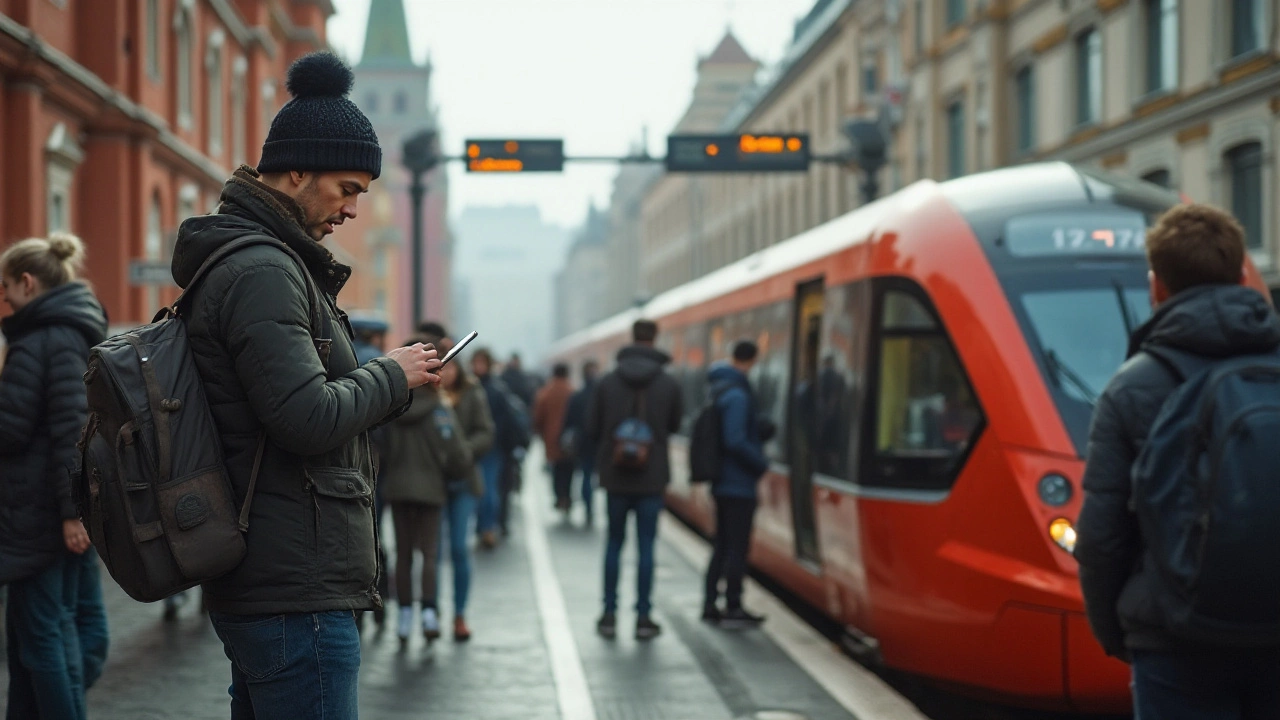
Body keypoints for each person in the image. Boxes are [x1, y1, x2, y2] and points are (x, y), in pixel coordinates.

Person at [171, 51, 439, 719]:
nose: (353, 209)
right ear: (297, 172)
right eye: (346, 188)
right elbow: (304, 416)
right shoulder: (264, 270)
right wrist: (391, 374)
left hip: (282, 576)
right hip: (295, 590)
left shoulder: (265, 261)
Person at [1075, 203, 1280, 719]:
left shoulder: (1130, 387)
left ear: (1157, 286)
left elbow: (1101, 538)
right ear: (1240, 277)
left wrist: (1121, 632)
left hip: (1172, 638)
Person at [0, 232, 109, 719]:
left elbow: (69, 432)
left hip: (36, 517)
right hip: (55, 513)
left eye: (4, 289)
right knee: (44, 637)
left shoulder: (41, 340)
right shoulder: (76, 333)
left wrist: (71, 513)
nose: (3, 302)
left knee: (45, 639)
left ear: (26, 282)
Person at [586, 319, 683, 641]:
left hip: (615, 477)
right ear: (654, 339)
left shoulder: (608, 382)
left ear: (632, 339)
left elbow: (594, 427)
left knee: (613, 544)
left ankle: (609, 615)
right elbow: (674, 425)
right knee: (646, 548)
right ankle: (643, 617)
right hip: (651, 478)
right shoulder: (668, 384)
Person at [380, 335, 474, 648]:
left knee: (403, 555)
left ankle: (404, 617)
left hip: (397, 489)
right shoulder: (439, 410)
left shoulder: (392, 407)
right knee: (429, 554)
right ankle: (429, 613)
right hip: (431, 491)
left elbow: (382, 448)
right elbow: (460, 455)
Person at [429, 333, 495, 641]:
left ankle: (459, 614)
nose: (449, 372)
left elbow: (486, 432)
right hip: (433, 479)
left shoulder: (472, 393)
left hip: (464, 480)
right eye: (444, 366)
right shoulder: (426, 394)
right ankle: (432, 612)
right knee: (432, 551)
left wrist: (464, 451)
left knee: (458, 548)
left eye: (453, 366)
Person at [703, 340, 769, 628]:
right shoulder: (739, 396)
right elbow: (735, 439)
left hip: (723, 481)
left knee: (722, 545)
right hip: (738, 483)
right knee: (736, 548)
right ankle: (732, 604)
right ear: (752, 359)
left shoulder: (720, 389)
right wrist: (760, 463)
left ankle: (710, 603)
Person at [472, 348, 530, 538]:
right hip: (472, 448)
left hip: (492, 448)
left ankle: (487, 527)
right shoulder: (469, 388)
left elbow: (507, 421)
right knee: (478, 492)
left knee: (488, 492)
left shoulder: (496, 390)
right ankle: (484, 526)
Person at [533, 363, 576, 516]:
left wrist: (539, 432)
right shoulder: (572, 391)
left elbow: (538, 416)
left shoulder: (546, 392)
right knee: (569, 469)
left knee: (556, 469)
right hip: (570, 438)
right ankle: (567, 495)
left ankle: (559, 496)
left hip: (551, 437)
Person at [562, 360, 601, 525]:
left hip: (583, 443)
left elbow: (568, 421)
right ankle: (591, 508)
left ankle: (588, 508)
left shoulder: (577, 396)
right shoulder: (602, 396)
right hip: (599, 443)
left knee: (586, 476)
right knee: (595, 477)